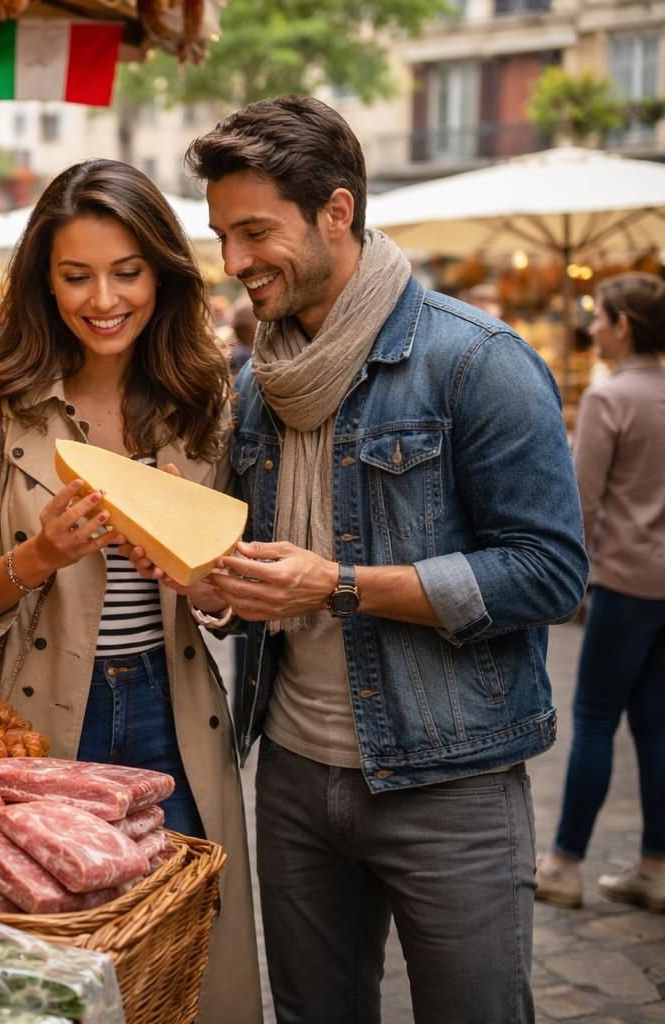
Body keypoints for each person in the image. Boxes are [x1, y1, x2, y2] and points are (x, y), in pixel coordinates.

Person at [178, 96, 587, 1023]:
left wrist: (343, 585)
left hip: (451, 778)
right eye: (222, 236)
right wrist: (228, 589)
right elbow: (266, 566)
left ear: (337, 210)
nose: (234, 263)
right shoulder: (256, 384)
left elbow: (551, 574)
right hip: (287, 770)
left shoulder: (477, 360)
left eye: (253, 233)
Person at [0, 159, 262, 1023]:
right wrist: (37, 556)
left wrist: (209, 582)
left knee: (177, 959)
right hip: (36, 719)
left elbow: (220, 592)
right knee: (46, 970)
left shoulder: (200, 396)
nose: (102, 299)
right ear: (44, 280)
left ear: (162, 273)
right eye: (75, 276)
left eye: (127, 272)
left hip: (171, 711)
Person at [536, 272, 665, 912]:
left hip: (623, 581)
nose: (593, 329)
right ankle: (655, 865)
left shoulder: (611, 399)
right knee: (656, 725)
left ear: (624, 327)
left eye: (602, 318)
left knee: (592, 720)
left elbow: (576, 504)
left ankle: (562, 865)